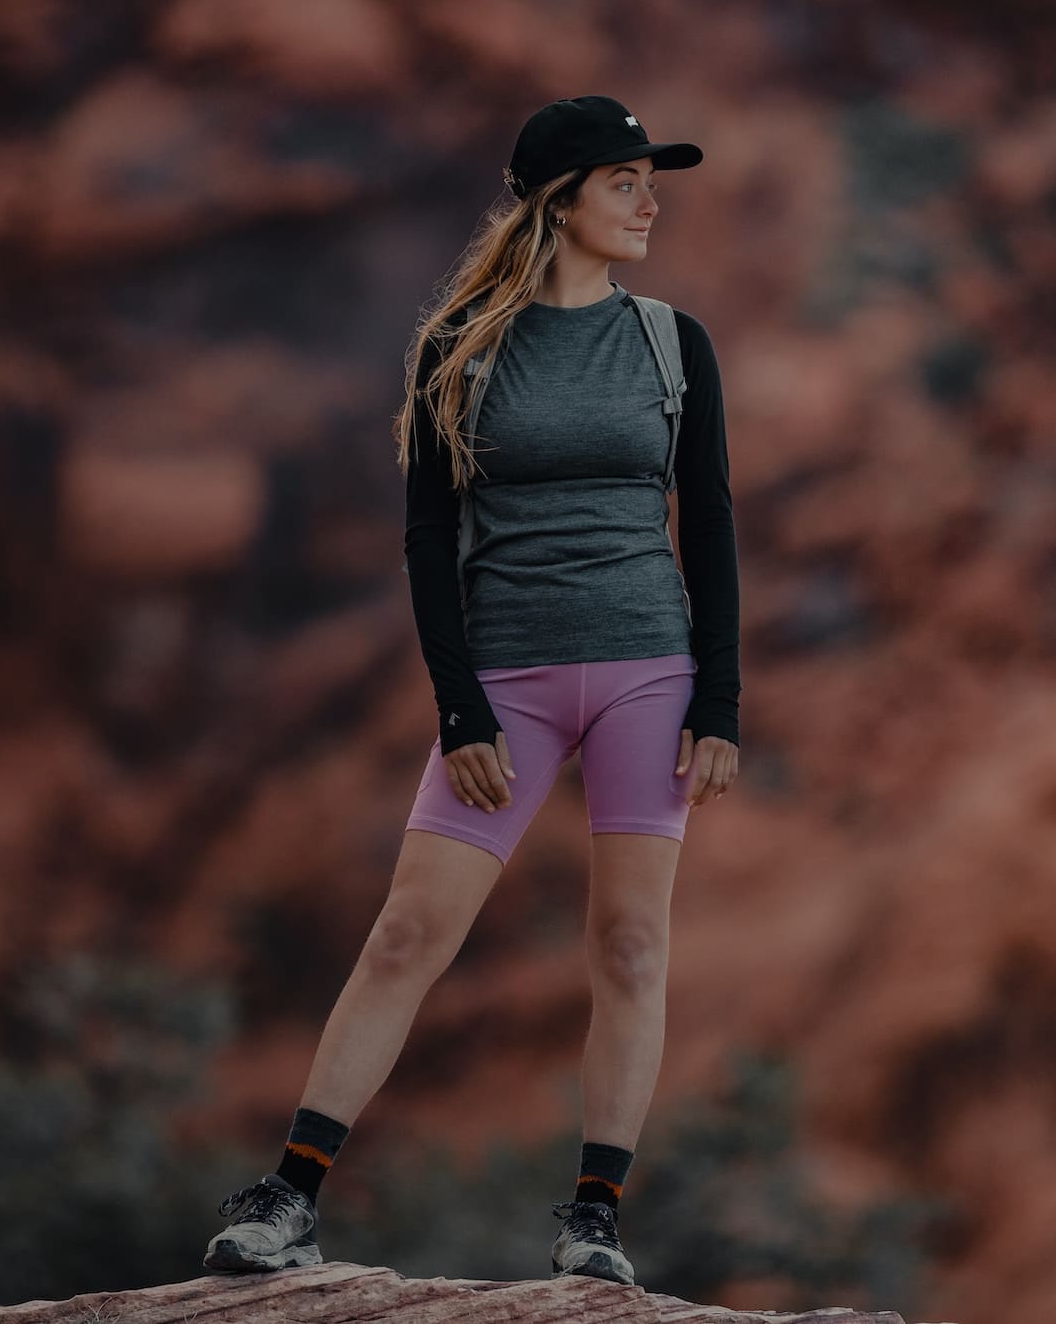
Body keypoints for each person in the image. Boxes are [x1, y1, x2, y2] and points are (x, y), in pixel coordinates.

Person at [200, 96, 741, 1287]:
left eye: (651, 181)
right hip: (507, 680)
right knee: (406, 932)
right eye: (625, 181)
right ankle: (289, 1196)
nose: (649, 202)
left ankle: (594, 1220)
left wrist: (719, 702)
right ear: (559, 199)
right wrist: (461, 709)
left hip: (649, 672)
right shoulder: (459, 346)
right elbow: (427, 539)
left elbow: (705, 520)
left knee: (630, 944)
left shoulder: (672, 342)